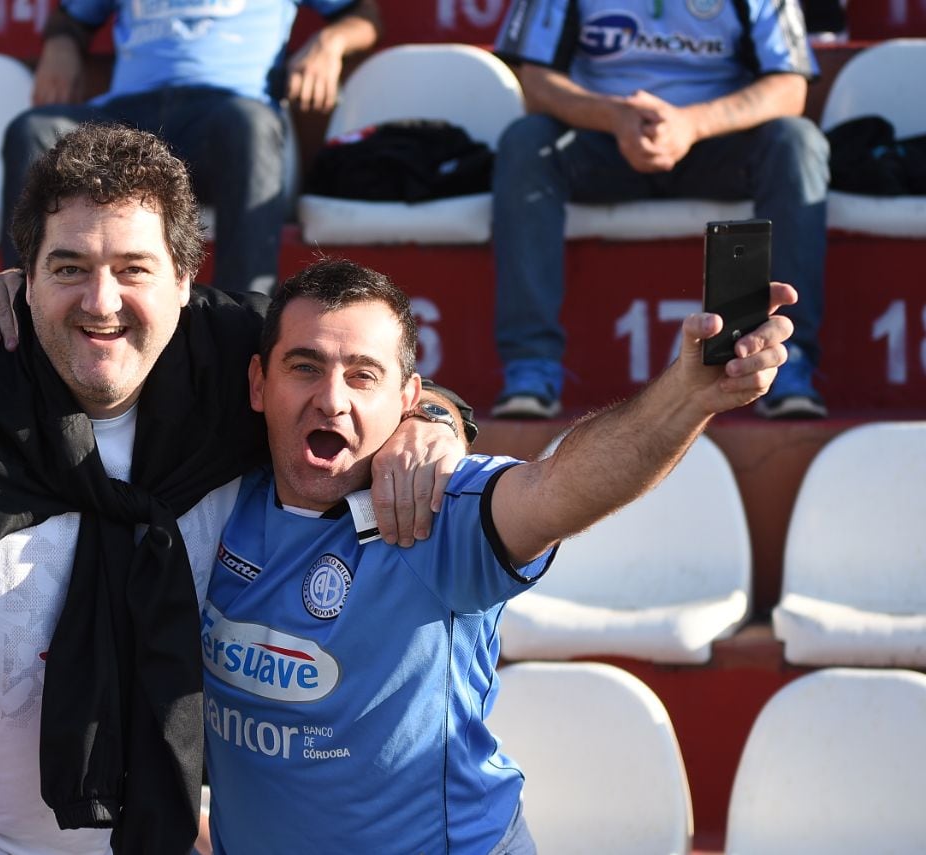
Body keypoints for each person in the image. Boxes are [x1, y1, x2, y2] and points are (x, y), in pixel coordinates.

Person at [0, 124, 468, 855]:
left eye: (133, 268)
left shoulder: (235, 360)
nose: (100, 303)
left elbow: (360, 378)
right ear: (23, 277)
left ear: (185, 280)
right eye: (68, 266)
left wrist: (434, 419)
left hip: (154, 835)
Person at [200, 256, 796, 852]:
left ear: (409, 398)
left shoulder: (433, 510)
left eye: (363, 376)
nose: (331, 400)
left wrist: (685, 397)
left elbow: (558, 487)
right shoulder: (212, 503)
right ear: (258, 383)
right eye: (304, 367)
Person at [489, 0, 828, 420]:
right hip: (600, 142)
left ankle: (786, 362)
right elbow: (536, 84)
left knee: (797, 143)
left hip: (720, 143)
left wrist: (691, 125)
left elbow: (789, 87)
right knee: (525, 142)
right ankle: (530, 367)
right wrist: (615, 117)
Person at [1, 0, 381, 295]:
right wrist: (61, 45)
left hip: (224, 118)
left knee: (250, 124)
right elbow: (71, 18)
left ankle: (242, 321)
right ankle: (24, 313)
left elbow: (363, 14)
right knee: (35, 130)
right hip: (128, 120)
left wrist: (331, 42)